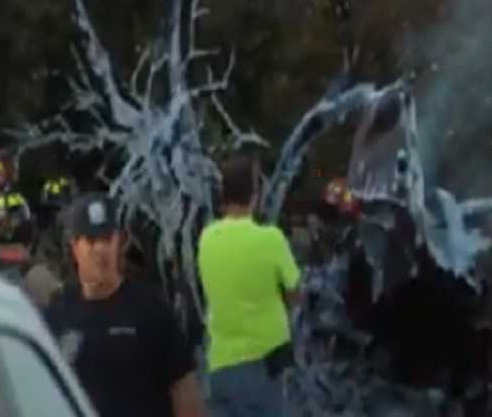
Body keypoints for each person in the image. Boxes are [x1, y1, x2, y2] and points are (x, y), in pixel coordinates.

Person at [44, 192, 204, 417]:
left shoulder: (150, 309)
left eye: (107, 239)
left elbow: (183, 389)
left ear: (120, 242)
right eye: (91, 241)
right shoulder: (59, 311)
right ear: (75, 247)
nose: (101, 250)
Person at [198, 154, 302, 416]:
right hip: (262, 366)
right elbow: (295, 291)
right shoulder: (270, 239)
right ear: (254, 194)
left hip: (220, 366)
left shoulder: (207, 239)